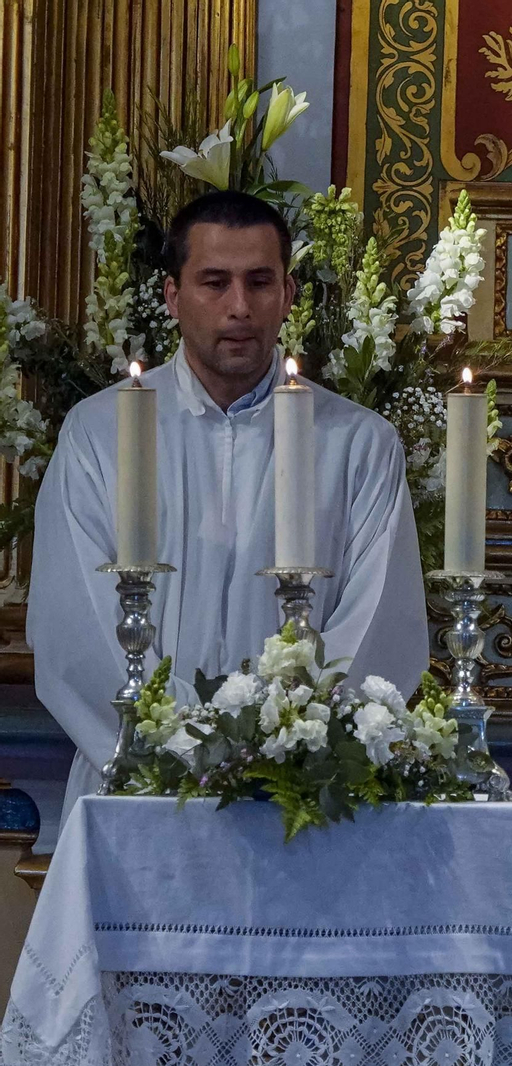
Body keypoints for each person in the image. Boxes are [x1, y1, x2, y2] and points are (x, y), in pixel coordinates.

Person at [27, 190, 427, 842]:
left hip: (299, 795)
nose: (239, 307)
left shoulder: (358, 442)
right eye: (214, 282)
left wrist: (288, 743)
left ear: (289, 294)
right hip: (136, 787)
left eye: (260, 282)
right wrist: (180, 744)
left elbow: (380, 618)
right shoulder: (101, 433)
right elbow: (76, 620)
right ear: (172, 295)